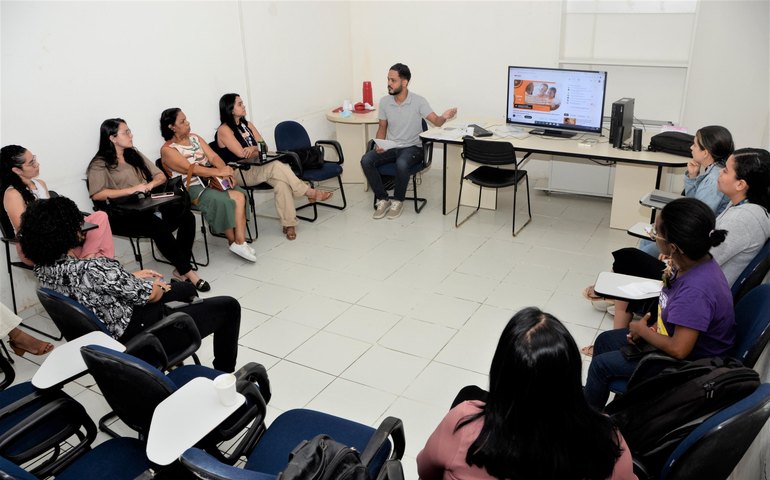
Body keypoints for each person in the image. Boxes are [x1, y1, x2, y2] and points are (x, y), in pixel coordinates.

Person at [19, 196, 242, 372]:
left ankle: (180, 339)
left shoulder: (45, 270)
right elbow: (151, 295)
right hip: (138, 337)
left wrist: (130, 278)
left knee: (183, 288)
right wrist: (157, 284)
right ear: (68, 230)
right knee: (228, 305)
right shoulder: (93, 268)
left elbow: (94, 288)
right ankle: (222, 373)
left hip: (107, 335)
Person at [417, 307, 636, 480]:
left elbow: (425, 470)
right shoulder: (606, 440)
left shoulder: (464, 425)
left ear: (501, 370)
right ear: (571, 378)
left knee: (469, 393)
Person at [586, 147, 770, 335]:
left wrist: (672, 259)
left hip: (698, 289)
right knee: (632, 258)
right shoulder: (745, 207)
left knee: (628, 259)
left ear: (741, 184)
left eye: (725, 171)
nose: (720, 174)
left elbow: (704, 260)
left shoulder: (743, 220)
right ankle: (617, 313)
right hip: (698, 278)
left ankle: (618, 332)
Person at [584, 198, 735, 409]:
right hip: (674, 341)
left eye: (656, 232)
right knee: (604, 341)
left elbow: (679, 350)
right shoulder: (692, 262)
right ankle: (603, 403)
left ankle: (587, 425)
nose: (654, 236)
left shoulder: (696, 290)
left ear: (673, 247)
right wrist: (653, 328)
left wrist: (644, 332)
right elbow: (674, 317)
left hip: (687, 367)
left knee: (600, 366)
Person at [87, 118, 210, 291]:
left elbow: (160, 176)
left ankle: (180, 269)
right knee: (156, 225)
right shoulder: (100, 164)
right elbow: (97, 194)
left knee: (187, 216)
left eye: (130, 131)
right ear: (112, 138)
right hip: (122, 213)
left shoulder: (133, 154)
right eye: (126, 132)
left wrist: (149, 185)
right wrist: (131, 190)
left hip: (147, 205)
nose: (131, 135)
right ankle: (190, 274)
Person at [214, 93, 332, 241]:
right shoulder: (224, 130)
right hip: (239, 172)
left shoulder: (247, 125)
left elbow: (263, 145)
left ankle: (289, 224)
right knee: (277, 166)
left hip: (259, 167)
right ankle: (308, 191)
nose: (243, 106)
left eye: (242, 103)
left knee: (281, 183)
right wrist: (255, 149)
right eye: (239, 104)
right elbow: (241, 153)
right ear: (230, 109)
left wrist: (254, 149)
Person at [361, 63, 457, 220]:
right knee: (366, 160)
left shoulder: (418, 101)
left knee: (402, 163)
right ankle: (383, 199)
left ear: (404, 82)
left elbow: (436, 121)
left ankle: (398, 201)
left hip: (413, 148)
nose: (389, 84)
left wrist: (444, 116)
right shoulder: (385, 102)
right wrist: (380, 144)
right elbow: (382, 127)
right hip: (391, 147)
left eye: (393, 80)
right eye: (388, 80)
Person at [159, 108, 255, 262]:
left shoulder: (195, 138)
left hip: (211, 181)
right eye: (182, 121)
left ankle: (239, 242)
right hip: (191, 188)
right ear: (172, 127)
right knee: (227, 199)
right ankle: (235, 242)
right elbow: (191, 169)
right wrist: (219, 173)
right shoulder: (168, 150)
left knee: (240, 194)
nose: (187, 123)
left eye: (186, 119)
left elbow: (214, 156)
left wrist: (225, 171)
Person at [1, 144, 114, 265]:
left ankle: (87, 259)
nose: (37, 164)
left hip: (60, 237)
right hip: (36, 245)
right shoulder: (12, 194)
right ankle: (90, 262)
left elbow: (54, 215)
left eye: (34, 159)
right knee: (100, 253)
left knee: (100, 216)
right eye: (31, 163)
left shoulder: (40, 184)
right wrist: (65, 232)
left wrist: (70, 228)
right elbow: (23, 229)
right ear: (17, 170)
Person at [638, 125, 733, 258]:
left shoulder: (713, 180)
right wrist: (692, 177)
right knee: (645, 239)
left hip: (695, 240)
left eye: (694, 145)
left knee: (642, 253)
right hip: (696, 233)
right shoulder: (714, 171)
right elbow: (694, 205)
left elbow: (696, 220)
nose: (691, 148)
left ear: (705, 152)